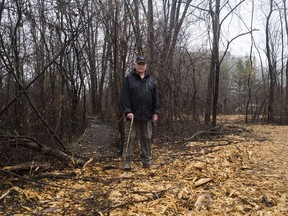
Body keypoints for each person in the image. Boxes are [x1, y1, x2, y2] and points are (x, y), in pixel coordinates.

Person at [121, 56, 160, 171]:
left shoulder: (151, 80)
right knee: (130, 137)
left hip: (147, 115)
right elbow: (124, 97)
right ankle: (126, 162)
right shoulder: (129, 79)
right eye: (139, 64)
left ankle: (147, 161)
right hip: (132, 116)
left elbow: (155, 98)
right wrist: (128, 111)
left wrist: (155, 112)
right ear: (135, 65)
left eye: (143, 64)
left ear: (146, 66)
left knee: (147, 137)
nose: (141, 66)